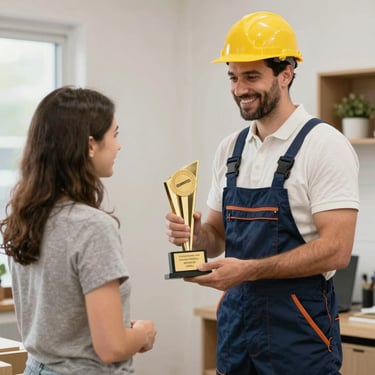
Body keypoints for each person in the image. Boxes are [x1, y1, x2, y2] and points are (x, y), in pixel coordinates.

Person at [165, 11, 359, 375]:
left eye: (252, 76)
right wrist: (193, 236)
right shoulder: (231, 149)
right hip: (237, 329)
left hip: (299, 332)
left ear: (286, 74)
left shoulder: (324, 145)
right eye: (233, 77)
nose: (239, 89)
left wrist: (247, 271)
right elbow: (216, 238)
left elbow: (338, 249)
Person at [0, 86, 157, 374]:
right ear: (90, 145)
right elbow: (111, 347)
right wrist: (143, 333)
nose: (118, 145)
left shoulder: (24, 219)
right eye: (114, 134)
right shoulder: (92, 227)